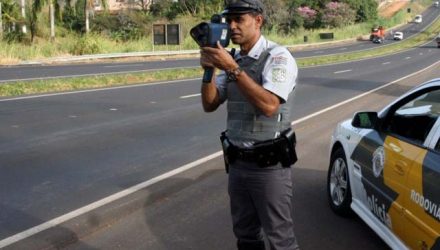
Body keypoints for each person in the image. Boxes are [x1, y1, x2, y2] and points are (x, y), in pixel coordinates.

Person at [199, 0, 299, 249]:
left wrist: (231, 68)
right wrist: (209, 71)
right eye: (228, 20)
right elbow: (210, 104)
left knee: (280, 239)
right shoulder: (233, 60)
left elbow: (268, 106)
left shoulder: (277, 58)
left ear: (258, 21)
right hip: (237, 163)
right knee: (245, 235)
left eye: (239, 20)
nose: (232, 26)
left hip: (269, 167)